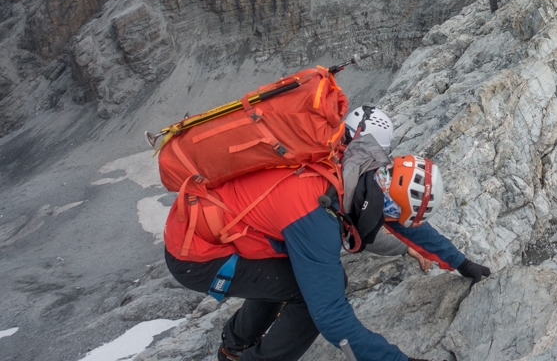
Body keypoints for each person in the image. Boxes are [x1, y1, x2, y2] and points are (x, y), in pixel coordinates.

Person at [163, 107, 490, 361]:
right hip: (196, 254)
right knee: (307, 296)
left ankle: (233, 348)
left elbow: (397, 217)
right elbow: (333, 320)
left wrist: (460, 262)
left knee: (292, 280)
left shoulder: (356, 167)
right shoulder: (316, 219)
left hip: (206, 220)